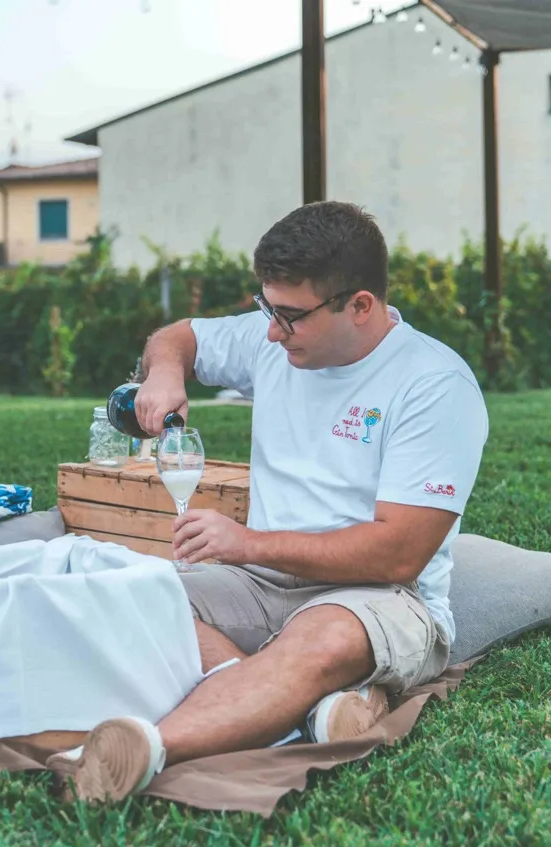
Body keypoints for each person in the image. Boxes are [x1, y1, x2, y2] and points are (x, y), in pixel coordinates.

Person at [47, 201, 490, 802]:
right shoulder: (275, 343)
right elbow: (181, 337)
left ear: (360, 305)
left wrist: (248, 544)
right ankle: (297, 713)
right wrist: (164, 374)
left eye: (289, 316)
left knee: (324, 640)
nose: (273, 331)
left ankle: (146, 749)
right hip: (260, 586)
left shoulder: (434, 385)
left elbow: (399, 554)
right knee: (129, 592)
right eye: (266, 308)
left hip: (381, 596)